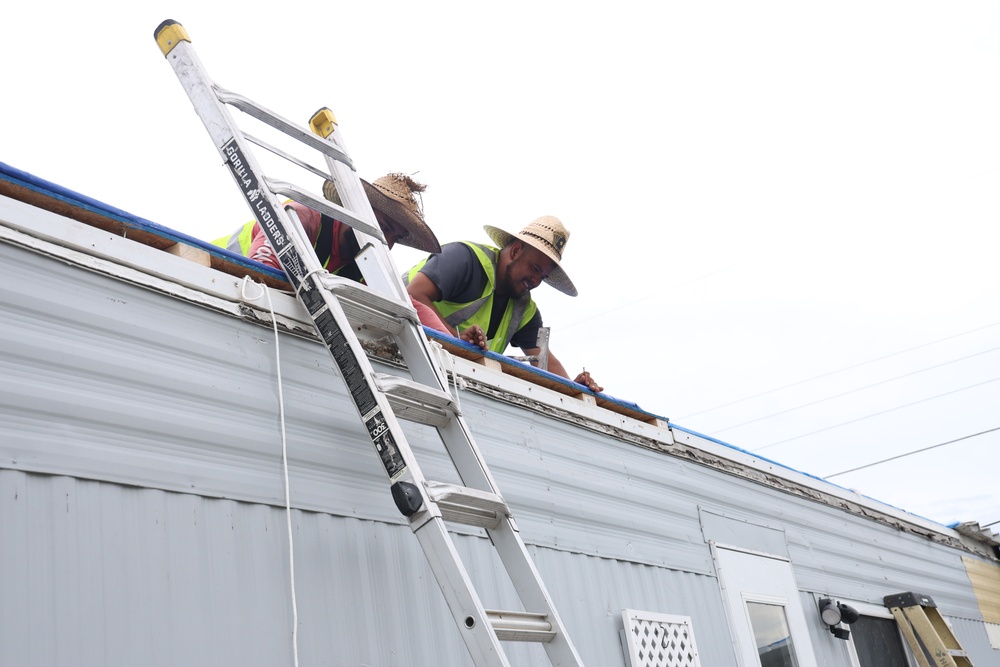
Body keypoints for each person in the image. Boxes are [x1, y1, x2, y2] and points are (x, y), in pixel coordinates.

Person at [212, 172, 479, 344]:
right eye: (384, 227)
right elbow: (260, 272)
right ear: (355, 210)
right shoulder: (303, 217)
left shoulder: (365, 262)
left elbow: (410, 308)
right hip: (208, 277)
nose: (387, 242)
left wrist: (457, 343)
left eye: (396, 237)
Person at [405, 216, 602, 392]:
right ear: (516, 251)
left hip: (449, 381)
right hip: (398, 347)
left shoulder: (528, 311)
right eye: (534, 269)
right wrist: (456, 343)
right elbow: (413, 295)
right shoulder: (463, 258)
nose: (535, 281)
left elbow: (544, 361)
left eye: (542, 276)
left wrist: (575, 390)